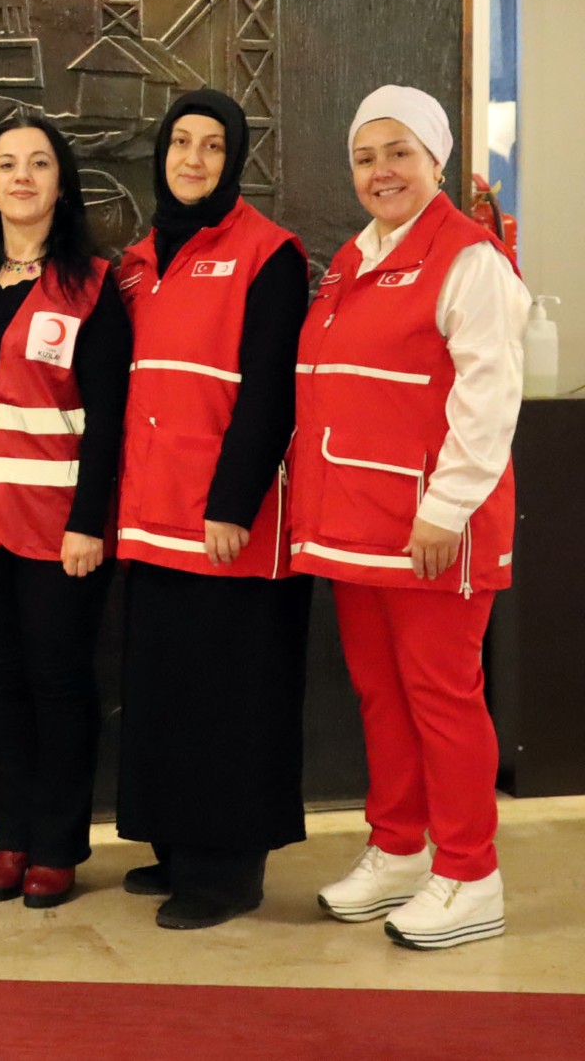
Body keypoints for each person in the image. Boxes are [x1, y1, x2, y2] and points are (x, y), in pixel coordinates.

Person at [292, 85, 528, 951]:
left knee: (442, 697)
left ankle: (469, 874)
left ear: (436, 159)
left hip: (435, 530)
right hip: (359, 523)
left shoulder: (469, 260)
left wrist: (447, 507)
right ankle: (398, 848)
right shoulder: (356, 259)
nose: (381, 171)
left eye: (399, 153)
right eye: (365, 156)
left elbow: (489, 395)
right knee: (380, 693)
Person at [112, 90, 313, 929]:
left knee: (229, 697)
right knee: (165, 688)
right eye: (181, 143)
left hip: (228, 523)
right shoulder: (135, 260)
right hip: (150, 511)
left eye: (213, 147)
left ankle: (227, 872)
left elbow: (271, 391)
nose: (193, 159)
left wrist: (233, 501)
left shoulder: (270, 254)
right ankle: (175, 844)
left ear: (235, 160)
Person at [0, 111, 129, 910]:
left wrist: (91, 521)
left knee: (59, 684)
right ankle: (10, 839)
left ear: (61, 184)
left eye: (39, 164)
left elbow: (111, 414)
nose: (22, 176)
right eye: (7, 164)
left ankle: (57, 845)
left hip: (59, 530)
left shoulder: (91, 285)